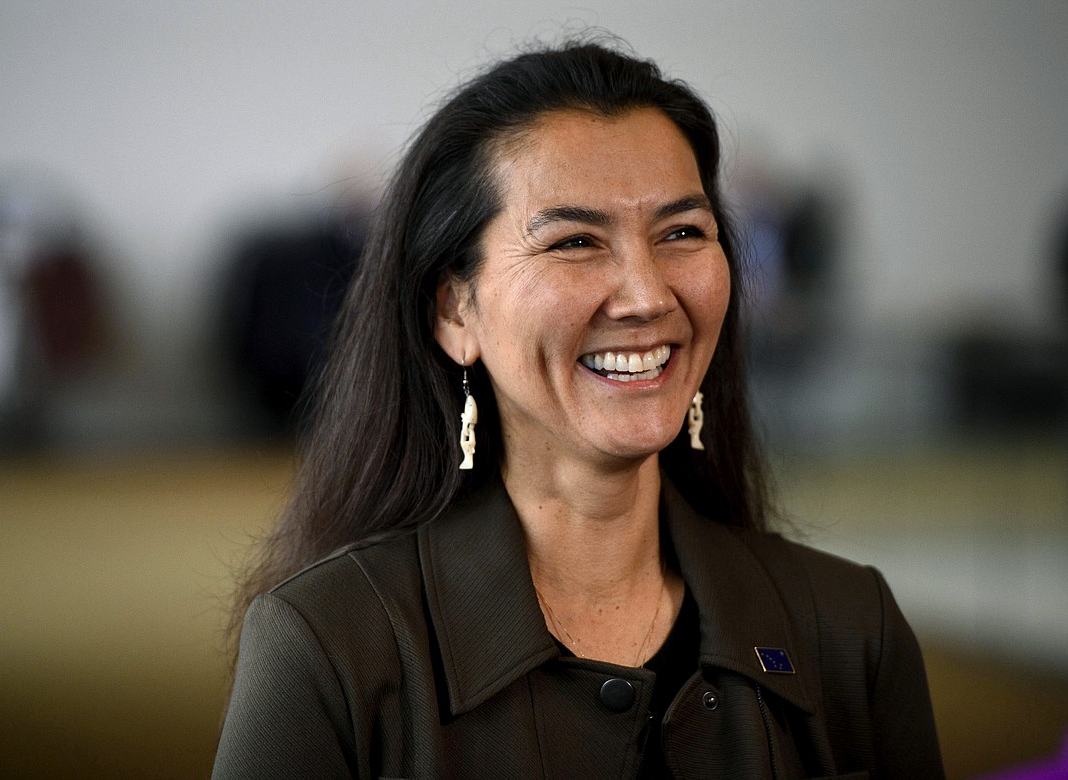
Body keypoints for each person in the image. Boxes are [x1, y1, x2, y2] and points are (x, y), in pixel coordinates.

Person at [213, 40, 944, 779]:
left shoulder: (851, 630)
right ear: (454, 310)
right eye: (575, 241)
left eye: (682, 232)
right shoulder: (330, 647)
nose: (648, 295)